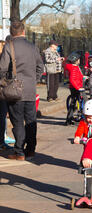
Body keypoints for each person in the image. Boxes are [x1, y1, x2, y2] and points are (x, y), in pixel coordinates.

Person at [0, 20, 44, 160]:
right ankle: (30, 149)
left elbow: (2, 68)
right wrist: (33, 80)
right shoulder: (33, 47)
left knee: (17, 120)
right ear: (23, 31)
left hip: (14, 90)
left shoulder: (8, 47)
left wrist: (4, 82)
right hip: (30, 89)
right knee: (31, 120)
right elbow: (40, 67)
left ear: (11, 33)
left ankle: (19, 152)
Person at [73, 99, 92, 200]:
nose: (91, 120)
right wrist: (77, 137)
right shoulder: (84, 123)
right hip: (88, 154)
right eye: (89, 118)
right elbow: (80, 130)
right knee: (87, 172)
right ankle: (87, 195)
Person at [64, 52, 86, 125]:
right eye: (78, 60)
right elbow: (72, 79)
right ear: (75, 60)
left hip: (77, 86)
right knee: (73, 103)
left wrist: (83, 77)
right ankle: (69, 119)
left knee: (75, 102)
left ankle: (70, 119)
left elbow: (78, 76)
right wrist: (78, 88)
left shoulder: (74, 67)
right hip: (75, 87)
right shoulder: (73, 68)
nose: (79, 61)